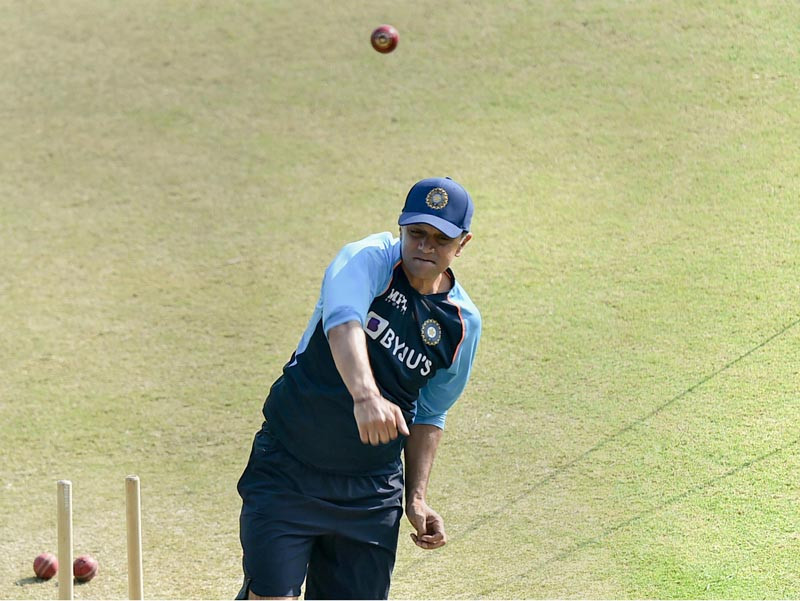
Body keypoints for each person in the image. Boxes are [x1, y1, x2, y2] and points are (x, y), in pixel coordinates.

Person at [236, 176, 482, 600]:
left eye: (441, 239)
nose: (425, 246)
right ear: (401, 228)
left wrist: (416, 499)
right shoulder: (365, 259)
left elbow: (430, 413)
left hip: (370, 492)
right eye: (417, 234)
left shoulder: (461, 326)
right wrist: (365, 396)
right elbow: (343, 322)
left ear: (463, 244)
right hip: (288, 469)